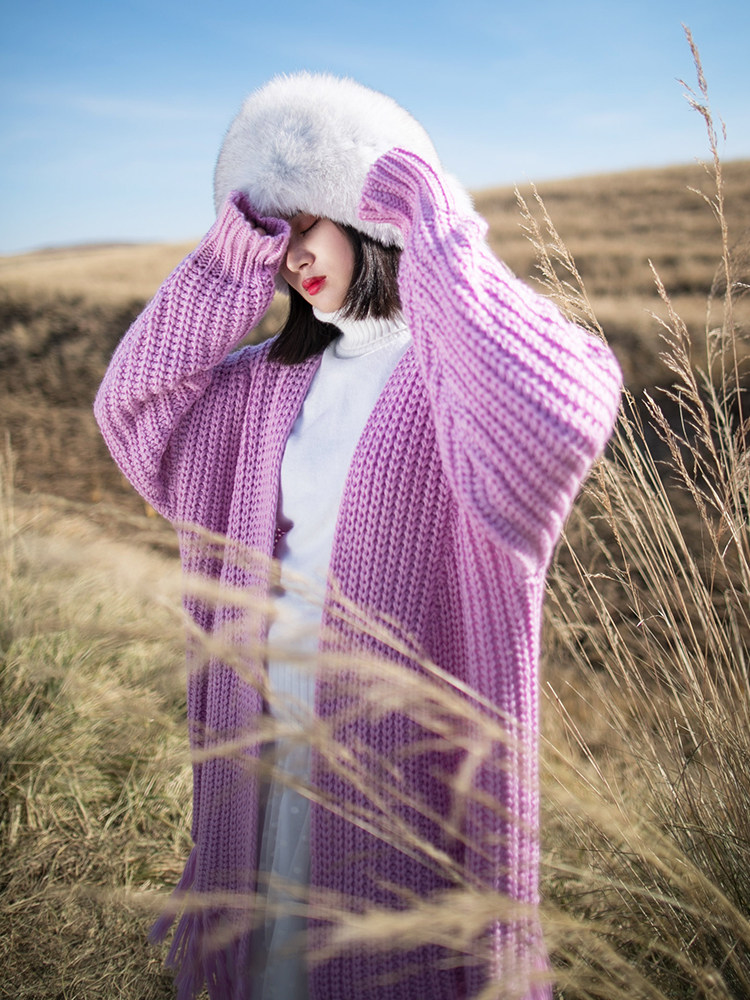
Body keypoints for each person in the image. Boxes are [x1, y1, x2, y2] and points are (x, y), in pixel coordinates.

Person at [95, 72, 622, 1000]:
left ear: (364, 215)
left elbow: (562, 412)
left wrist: (435, 227)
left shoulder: (450, 376)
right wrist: (232, 258)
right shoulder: (264, 382)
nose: (293, 256)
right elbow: (131, 411)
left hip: (397, 750)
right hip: (267, 726)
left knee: (389, 963)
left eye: (309, 222)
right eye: (278, 233)